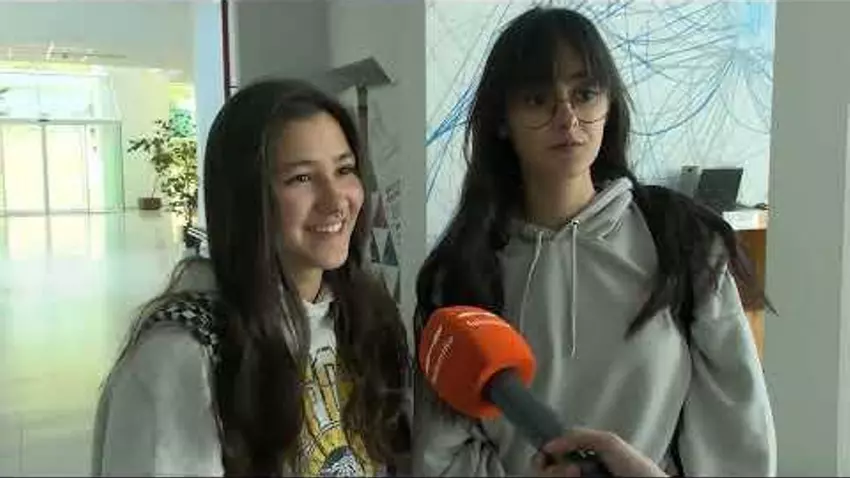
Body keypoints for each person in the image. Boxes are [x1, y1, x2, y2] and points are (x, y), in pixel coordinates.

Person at [412, 6, 775, 476]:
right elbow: (441, 458)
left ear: (609, 105)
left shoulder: (682, 241)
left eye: (584, 94)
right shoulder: (461, 275)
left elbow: (738, 436)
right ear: (502, 120)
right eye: (537, 99)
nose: (567, 117)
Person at [91, 79, 411, 476]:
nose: (335, 201)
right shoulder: (180, 358)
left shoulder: (366, 315)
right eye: (301, 178)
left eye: (344, 169)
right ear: (245, 197)